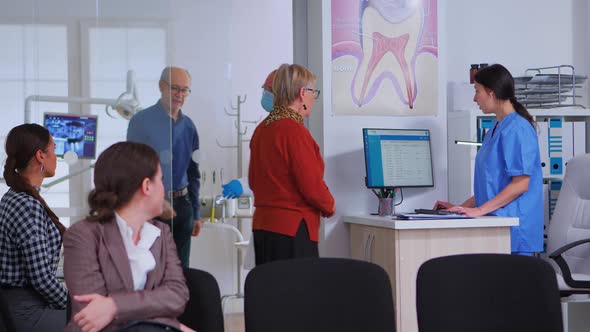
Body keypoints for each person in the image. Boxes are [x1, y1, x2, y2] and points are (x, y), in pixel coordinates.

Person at [63, 142, 192, 332]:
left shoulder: (161, 234)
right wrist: (164, 317)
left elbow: (176, 296)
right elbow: (91, 314)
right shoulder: (83, 235)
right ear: (147, 186)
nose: (164, 189)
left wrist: (114, 305)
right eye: (161, 180)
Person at [434, 64, 543, 255]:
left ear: (491, 92)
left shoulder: (517, 129)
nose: (475, 98)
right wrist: (460, 208)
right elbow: (492, 186)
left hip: (514, 231)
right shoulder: (495, 129)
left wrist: (479, 210)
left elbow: (520, 184)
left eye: (477, 91)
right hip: (496, 226)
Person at [248, 63, 336, 265]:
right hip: (292, 228)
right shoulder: (293, 131)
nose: (314, 98)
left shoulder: (263, 128)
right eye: (313, 92)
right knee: (297, 292)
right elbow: (310, 185)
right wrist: (329, 205)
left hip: (263, 227)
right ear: (303, 93)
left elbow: (254, 180)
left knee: (273, 292)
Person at [127, 66, 201, 268]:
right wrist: (155, 200)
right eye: (175, 88)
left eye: (184, 90)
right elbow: (133, 169)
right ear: (161, 87)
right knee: (151, 271)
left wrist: (196, 213)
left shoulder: (189, 126)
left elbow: (193, 173)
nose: (180, 95)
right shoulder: (141, 122)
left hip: (182, 207)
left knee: (180, 273)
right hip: (151, 210)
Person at [0, 123, 68, 331]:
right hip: (27, 312)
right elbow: (41, 279)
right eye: (54, 149)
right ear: (40, 155)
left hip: (18, 306)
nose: (57, 156)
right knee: (104, 320)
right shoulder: (28, 205)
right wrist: (74, 302)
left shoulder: (15, 198)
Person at [222, 69, 276, 199]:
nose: (265, 94)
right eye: (265, 90)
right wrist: (244, 185)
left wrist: (244, 185)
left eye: (269, 90)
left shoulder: (289, 130)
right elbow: (264, 175)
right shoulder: (266, 127)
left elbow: (277, 180)